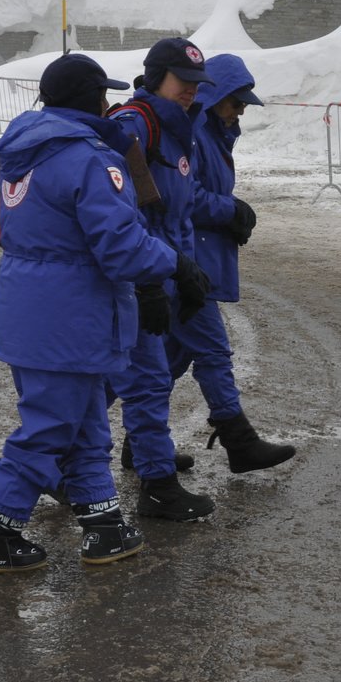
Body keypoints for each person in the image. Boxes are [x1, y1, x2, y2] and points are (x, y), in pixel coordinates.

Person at [0, 54, 205, 573]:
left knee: (86, 425)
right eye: (102, 95)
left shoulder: (24, 150)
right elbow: (120, 247)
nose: (108, 105)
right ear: (88, 99)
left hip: (36, 307)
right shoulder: (89, 158)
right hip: (71, 312)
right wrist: (176, 264)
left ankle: (103, 525)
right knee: (50, 429)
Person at [107, 37, 220, 521]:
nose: (192, 91)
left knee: (130, 380)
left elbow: (177, 212)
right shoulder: (134, 127)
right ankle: (153, 484)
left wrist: (186, 272)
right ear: (156, 78)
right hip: (139, 276)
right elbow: (123, 213)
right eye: (183, 81)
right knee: (139, 379)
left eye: (197, 84)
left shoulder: (179, 129)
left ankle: (62, 464)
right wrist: (151, 280)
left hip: (163, 271)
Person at [169, 52, 295, 473]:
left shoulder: (214, 133)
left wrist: (231, 212)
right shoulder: (192, 133)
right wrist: (231, 210)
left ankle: (139, 443)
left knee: (166, 360)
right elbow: (186, 197)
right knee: (213, 351)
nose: (241, 109)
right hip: (187, 261)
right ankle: (239, 442)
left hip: (195, 258)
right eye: (236, 101)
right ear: (216, 95)